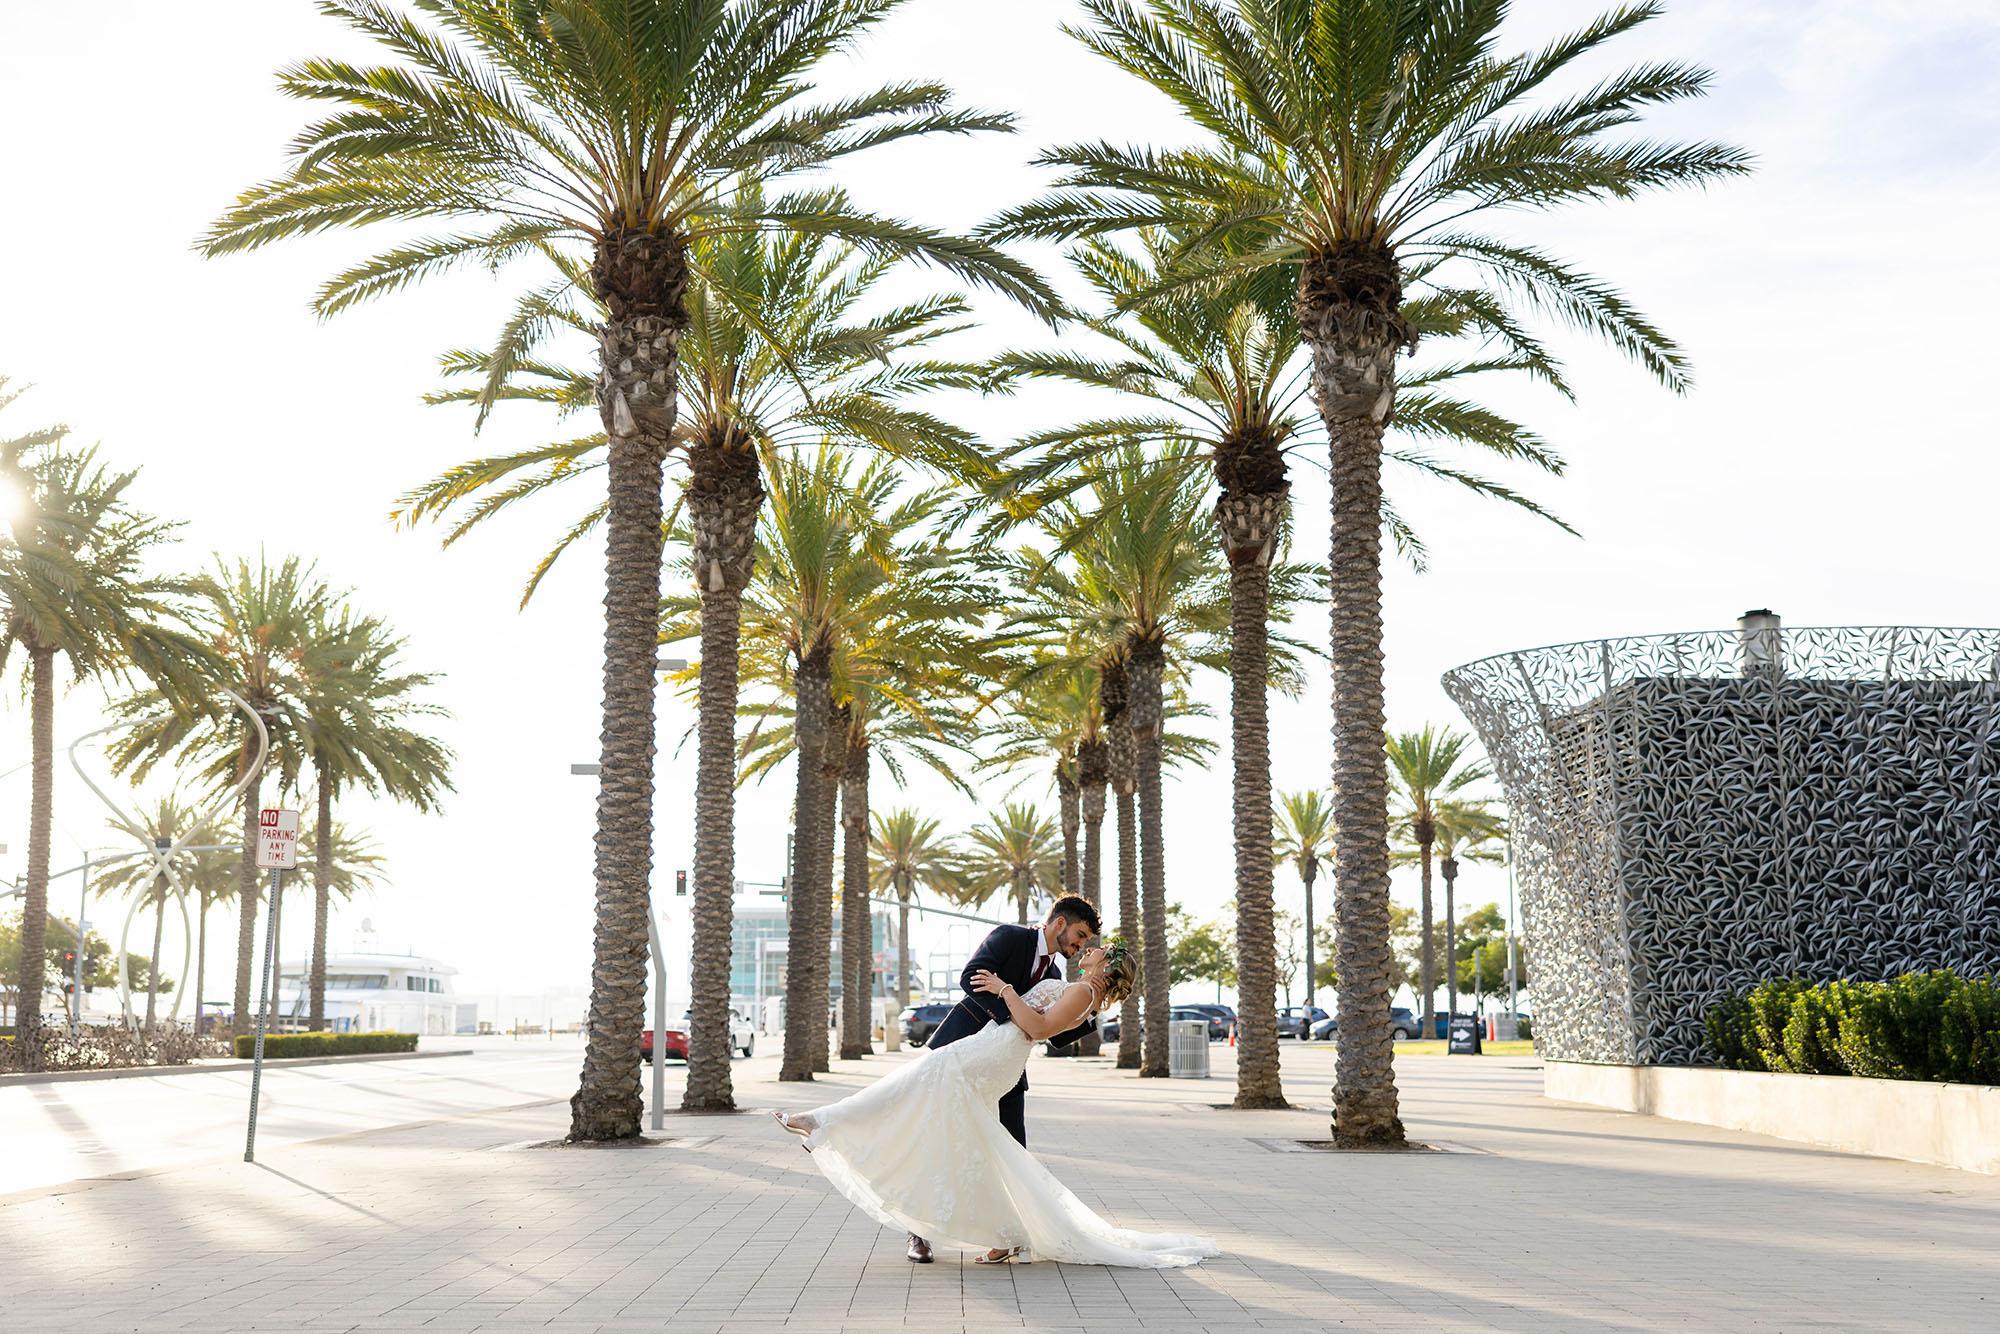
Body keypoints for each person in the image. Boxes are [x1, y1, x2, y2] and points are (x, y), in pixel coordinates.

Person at [772, 909, 1217, 1269]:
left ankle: (1008, 1230)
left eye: (1091, 946)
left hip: (998, 1059)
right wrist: (1012, 1009)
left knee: (1000, 1144)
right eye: (1081, 936)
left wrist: (1022, 1001)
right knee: (943, 1125)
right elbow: (972, 977)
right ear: (1060, 923)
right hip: (976, 1045)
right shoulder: (1013, 938)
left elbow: (1048, 1030)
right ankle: (929, 1227)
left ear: (1105, 966)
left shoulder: (1073, 980)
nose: (1084, 947)